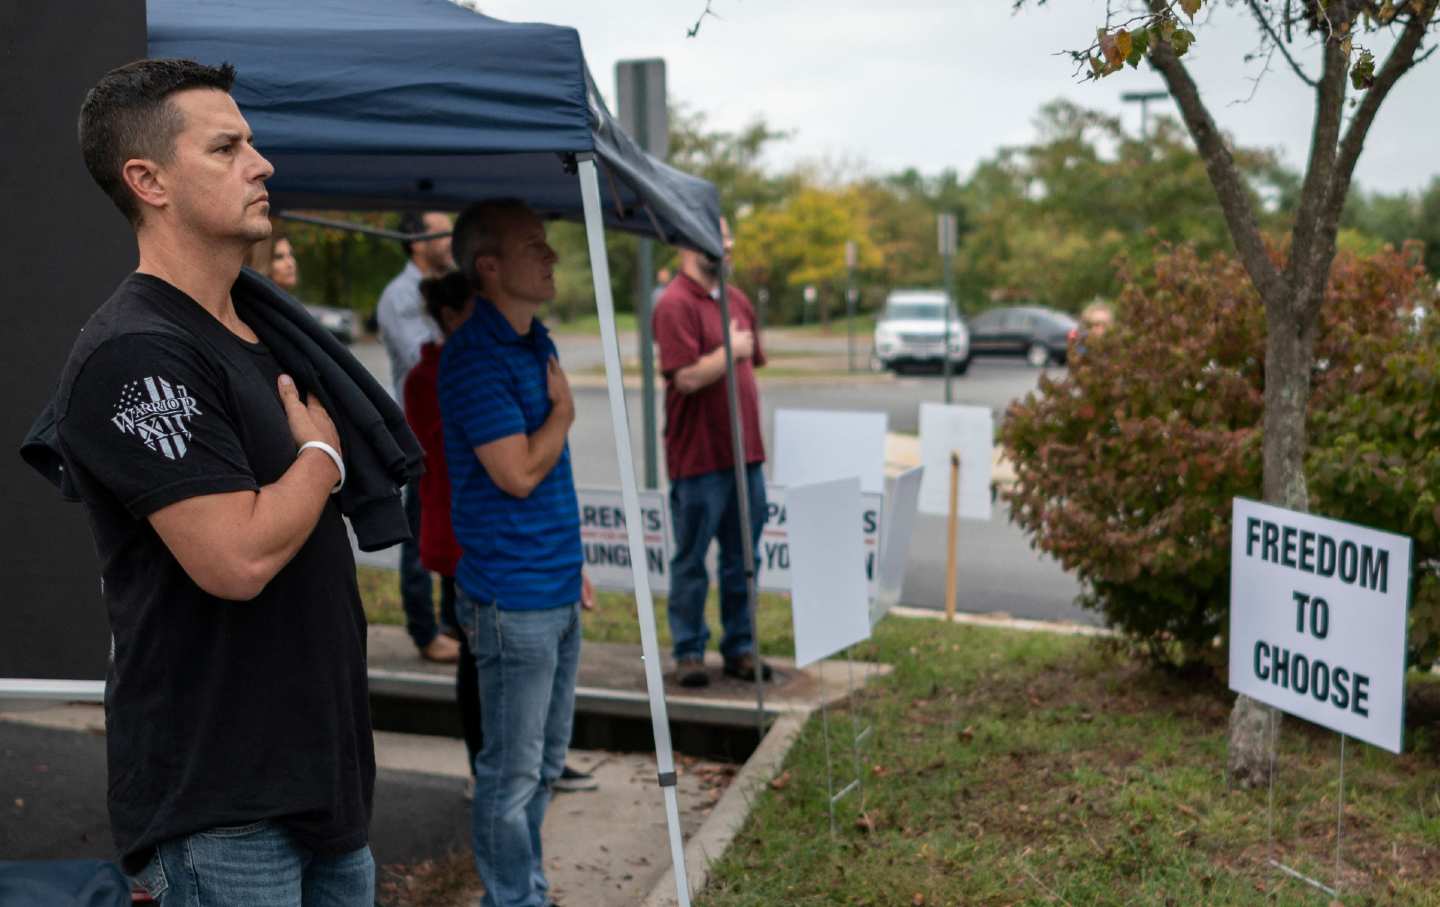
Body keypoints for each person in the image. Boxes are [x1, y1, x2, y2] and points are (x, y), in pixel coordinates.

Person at [58, 58, 374, 905]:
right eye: (227, 147)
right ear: (148, 180)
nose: (261, 162)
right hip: (222, 805)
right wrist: (321, 458)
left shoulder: (258, 330)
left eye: (253, 142)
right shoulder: (137, 352)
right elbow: (234, 558)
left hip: (322, 782)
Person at [438, 198, 595, 907]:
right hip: (513, 597)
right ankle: (513, 898)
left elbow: (549, 477)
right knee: (510, 772)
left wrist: (575, 563)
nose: (552, 255)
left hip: (555, 586)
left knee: (547, 763)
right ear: (489, 266)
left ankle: (523, 887)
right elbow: (519, 472)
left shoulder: (537, 341)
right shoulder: (473, 359)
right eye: (535, 245)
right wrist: (562, 415)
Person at [652, 218, 771, 688]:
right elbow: (684, 377)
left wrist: (738, 353)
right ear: (688, 241)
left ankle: (740, 646)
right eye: (718, 236)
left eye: (728, 236)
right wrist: (730, 350)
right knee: (691, 559)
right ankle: (689, 652)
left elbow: (752, 362)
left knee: (744, 557)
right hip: (698, 460)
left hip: (747, 457)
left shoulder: (737, 300)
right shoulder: (675, 303)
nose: (728, 244)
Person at [378, 210, 461, 663]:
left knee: (449, 526)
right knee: (419, 531)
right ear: (415, 241)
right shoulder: (399, 296)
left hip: (452, 435)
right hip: (419, 434)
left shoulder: (450, 285)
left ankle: (451, 623)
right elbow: (420, 359)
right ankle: (424, 631)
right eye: (441, 231)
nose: (451, 237)